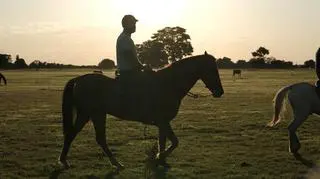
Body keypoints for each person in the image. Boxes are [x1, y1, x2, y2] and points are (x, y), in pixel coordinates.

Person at [116, 14, 144, 80]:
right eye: (133, 23)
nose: (134, 26)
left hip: (130, 73)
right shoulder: (125, 39)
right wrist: (143, 67)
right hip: (129, 74)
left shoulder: (126, 38)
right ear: (127, 25)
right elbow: (131, 58)